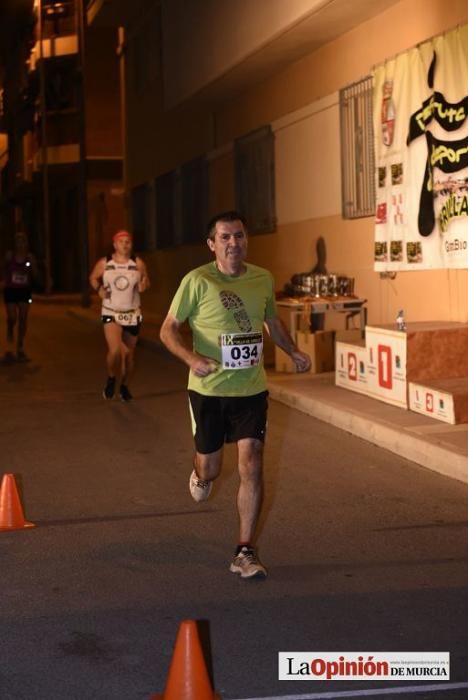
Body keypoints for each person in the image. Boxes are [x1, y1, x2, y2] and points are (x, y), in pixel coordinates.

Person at [159, 211, 310, 579]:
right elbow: (168, 330)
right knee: (211, 467)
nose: (233, 243)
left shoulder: (262, 279)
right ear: (212, 244)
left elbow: (272, 323)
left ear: (246, 240)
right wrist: (192, 358)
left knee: (252, 462)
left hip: (250, 389)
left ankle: (244, 551)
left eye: (239, 236)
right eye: (224, 237)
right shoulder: (197, 281)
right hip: (209, 390)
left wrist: (293, 352)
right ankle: (200, 475)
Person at [89, 230, 150, 401]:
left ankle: (124, 385)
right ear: (115, 244)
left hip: (132, 313)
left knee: (129, 355)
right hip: (111, 312)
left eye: (128, 242)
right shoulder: (105, 263)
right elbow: (93, 278)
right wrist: (99, 289)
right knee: (115, 350)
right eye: (121, 241)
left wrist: (144, 285)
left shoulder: (138, 263)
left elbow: (145, 282)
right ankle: (111, 378)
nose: (125, 244)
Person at [2, 230, 39, 363]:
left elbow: (35, 275)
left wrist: (33, 268)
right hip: (10, 290)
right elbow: (3, 269)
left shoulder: (30, 257)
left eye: (23, 240)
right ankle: (10, 328)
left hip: (24, 291)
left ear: (26, 243)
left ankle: (20, 347)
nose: (20, 243)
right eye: (18, 240)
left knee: (23, 318)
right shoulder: (9, 256)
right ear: (15, 243)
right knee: (12, 317)